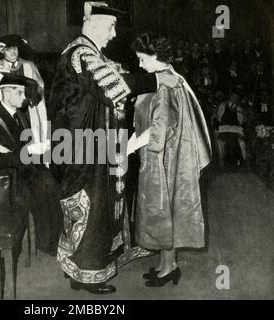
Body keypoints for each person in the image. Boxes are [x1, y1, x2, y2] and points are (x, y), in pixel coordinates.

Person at [49, 2, 181, 294]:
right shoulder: (82, 52)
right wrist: (156, 78)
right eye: (111, 26)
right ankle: (87, 275)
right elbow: (112, 86)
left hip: (91, 144)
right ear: (93, 23)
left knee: (92, 208)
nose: (113, 33)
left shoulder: (88, 52)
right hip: (83, 146)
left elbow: (106, 78)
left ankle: (80, 270)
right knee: (91, 208)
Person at [129, 33, 211, 287]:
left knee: (165, 210)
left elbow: (157, 130)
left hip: (163, 158)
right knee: (169, 210)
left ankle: (170, 267)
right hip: (169, 154)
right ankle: (165, 264)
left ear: (156, 57)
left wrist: (130, 145)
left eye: (143, 59)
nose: (140, 65)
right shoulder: (170, 77)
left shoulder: (164, 85)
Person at [0, 74, 62, 255]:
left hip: (23, 168)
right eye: (20, 93)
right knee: (44, 184)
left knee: (52, 176)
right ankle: (48, 243)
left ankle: (56, 237)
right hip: (6, 178)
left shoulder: (18, 115)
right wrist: (30, 152)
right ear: (6, 92)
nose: (25, 98)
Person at [0, 34, 48, 145]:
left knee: (30, 141)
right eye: (8, 50)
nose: (13, 52)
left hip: (27, 112)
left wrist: (33, 97)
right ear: (2, 51)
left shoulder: (29, 65)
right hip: (7, 113)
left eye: (15, 49)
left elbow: (40, 87)